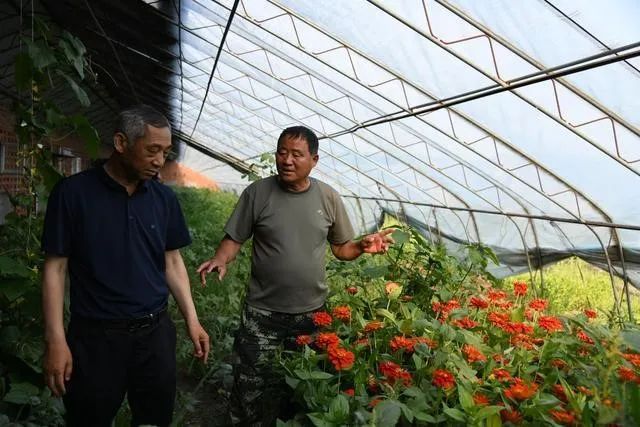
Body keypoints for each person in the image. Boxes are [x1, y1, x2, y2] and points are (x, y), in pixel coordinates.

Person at [197, 125, 393, 426]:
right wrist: (220, 259)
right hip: (261, 312)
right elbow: (234, 238)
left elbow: (342, 248)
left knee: (301, 385)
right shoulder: (258, 193)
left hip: (311, 315)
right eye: (282, 152)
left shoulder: (328, 198)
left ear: (313, 160)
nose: (287, 160)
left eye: (296, 155)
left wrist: (362, 246)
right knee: (249, 382)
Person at [41, 105, 210, 427]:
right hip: (95, 339)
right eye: (152, 150)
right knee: (89, 418)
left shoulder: (163, 200)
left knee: (154, 418)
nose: (160, 161)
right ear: (121, 143)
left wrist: (192, 319)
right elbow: (55, 269)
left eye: (165, 152)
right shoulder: (73, 194)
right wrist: (56, 340)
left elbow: (172, 262)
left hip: (155, 334)